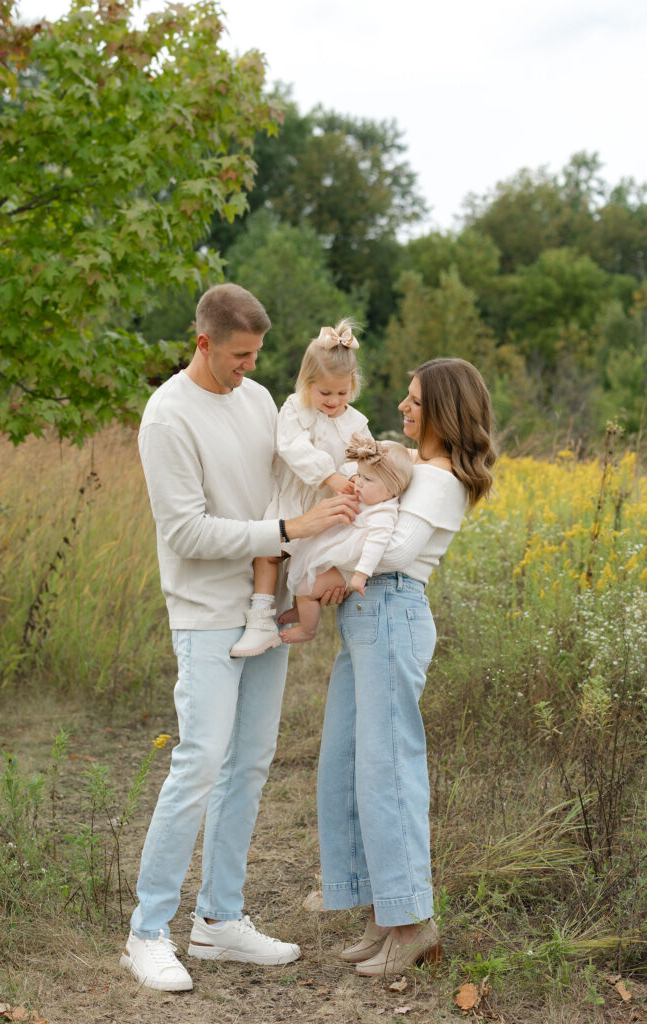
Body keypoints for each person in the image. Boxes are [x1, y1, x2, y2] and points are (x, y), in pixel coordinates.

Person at [120, 283, 358, 992]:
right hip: (204, 612)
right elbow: (186, 533)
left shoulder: (257, 401)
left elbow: (287, 483)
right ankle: (145, 933)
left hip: (268, 604)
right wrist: (290, 532)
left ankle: (219, 921)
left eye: (256, 354)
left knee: (249, 764)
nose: (249, 368)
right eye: (236, 356)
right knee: (198, 762)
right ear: (202, 343)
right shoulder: (167, 418)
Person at [317, 357, 497, 977]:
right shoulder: (416, 468)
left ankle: (413, 922)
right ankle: (381, 911)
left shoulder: (440, 479)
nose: (403, 407)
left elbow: (393, 550)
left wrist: (333, 571)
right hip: (369, 618)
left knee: (387, 768)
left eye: (415, 400)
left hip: (391, 611)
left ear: (444, 410)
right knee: (346, 762)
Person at [229, 318, 372, 658]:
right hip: (296, 500)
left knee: (310, 566)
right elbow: (292, 446)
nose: (334, 401)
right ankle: (261, 616)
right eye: (325, 393)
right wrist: (330, 476)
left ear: (352, 384)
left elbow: (363, 457)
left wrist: (351, 476)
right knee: (269, 551)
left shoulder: (356, 422)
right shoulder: (295, 408)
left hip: (328, 507)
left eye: (342, 392)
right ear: (307, 384)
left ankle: (302, 612)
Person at [280, 435, 414, 644]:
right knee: (303, 573)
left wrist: (360, 575)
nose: (359, 482)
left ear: (390, 490)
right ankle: (301, 609)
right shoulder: (369, 497)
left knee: (306, 588)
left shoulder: (384, 514)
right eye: (359, 475)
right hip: (335, 556)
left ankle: (307, 629)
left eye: (367, 479)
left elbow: (375, 546)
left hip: (347, 569)